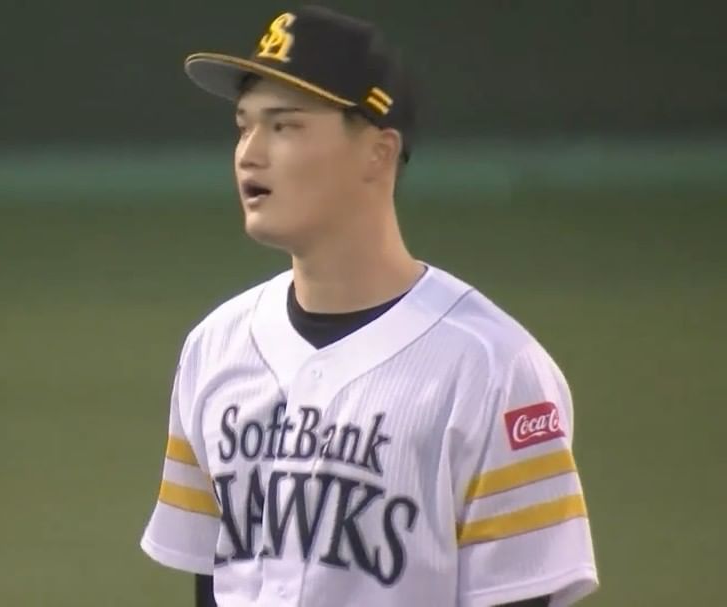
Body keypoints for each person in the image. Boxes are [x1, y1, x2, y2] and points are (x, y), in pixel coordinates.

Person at [139, 5, 599, 606]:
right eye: (243, 126)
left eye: (285, 126)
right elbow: (214, 579)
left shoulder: (492, 369)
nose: (249, 153)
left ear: (379, 152)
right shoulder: (214, 346)